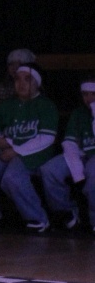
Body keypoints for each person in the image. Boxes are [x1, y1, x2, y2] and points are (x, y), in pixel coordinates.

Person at [0, 65, 59, 232]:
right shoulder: (7, 105)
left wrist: (16, 151)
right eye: (17, 79)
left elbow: (47, 138)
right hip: (6, 149)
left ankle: (38, 218)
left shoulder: (45, 105)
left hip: (33, 152)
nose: (21, 83)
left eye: (27, 79)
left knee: (12, 178)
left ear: (38, 83)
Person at [40, 78, 95, 230]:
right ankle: (67, 212)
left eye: (93, 94)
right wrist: (76, 167)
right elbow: (70, 142)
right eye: (85, 94)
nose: (89, 98)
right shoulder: (78, 113)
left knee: (93, 173)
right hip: (81, 154)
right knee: (49, 170)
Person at [0, 49, 36, 117]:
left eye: (19, 64)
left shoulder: (34, 87)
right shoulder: (2, 87)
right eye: (11, 64)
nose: (14, 68)